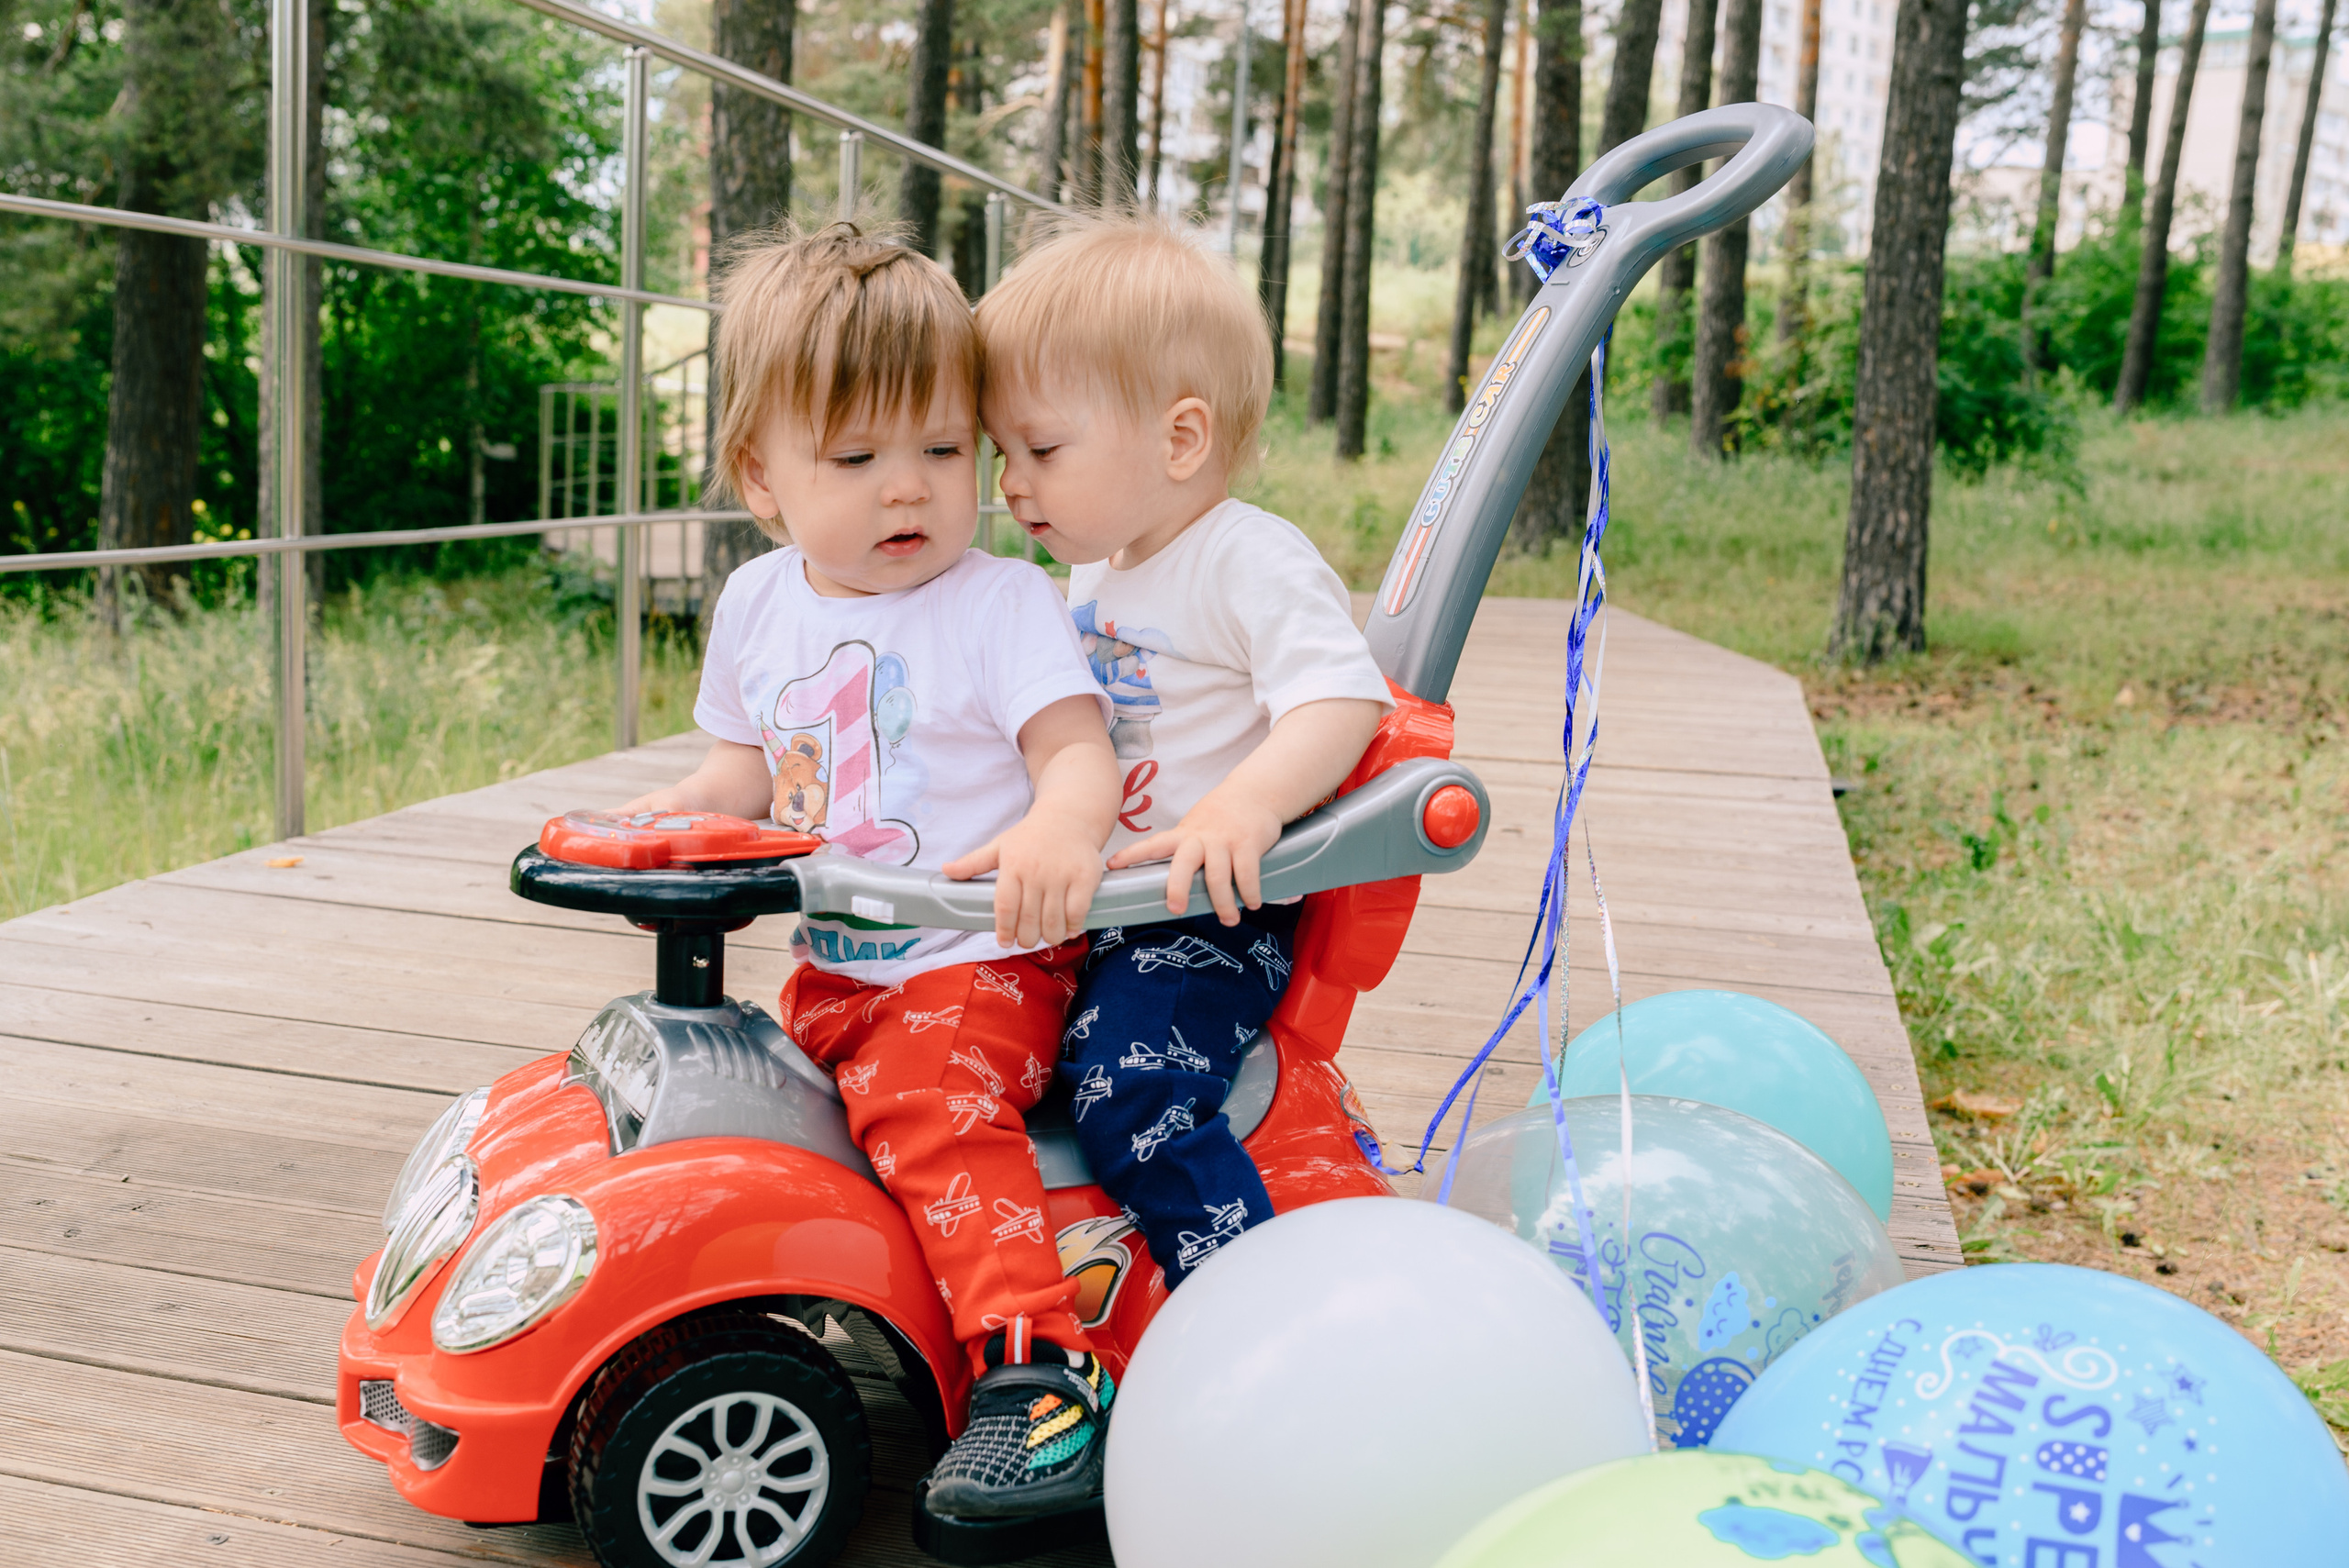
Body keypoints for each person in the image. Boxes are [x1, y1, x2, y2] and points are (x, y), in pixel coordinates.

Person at [620, 222, 1119, 1518]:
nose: (910, 491)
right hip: (837, 967)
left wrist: (1064, 826)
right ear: (763, 475)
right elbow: (743, 769)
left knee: (931, 1112)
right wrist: (676, 818)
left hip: (976, 962)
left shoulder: (999, 604)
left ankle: (1038, 1377)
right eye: (858, 457)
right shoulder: (758, 604)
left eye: (945, 451)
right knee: (745, 1103)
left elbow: (1077, 750)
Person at [975, 216, 1394, 1291]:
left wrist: (1242, 807)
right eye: (1001, 453)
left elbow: (1340, 697)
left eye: (1042, 450)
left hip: (1211, 911)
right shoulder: (1100, 569)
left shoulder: (1244, 557)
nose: (1012, 484)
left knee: (1131, 1090)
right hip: (1113, 900)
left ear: (1179, 438)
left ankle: (1241, 1295)